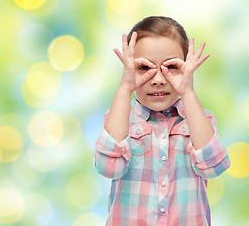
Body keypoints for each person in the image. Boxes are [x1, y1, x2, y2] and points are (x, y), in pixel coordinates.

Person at [93, 16, 230, 226]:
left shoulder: (201, 119)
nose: (158, 80)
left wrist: (188, 92)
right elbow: (108, 167)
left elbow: (214, 167)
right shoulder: (118, 120)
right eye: (144, 68)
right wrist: (124, 88)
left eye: (171, 67)